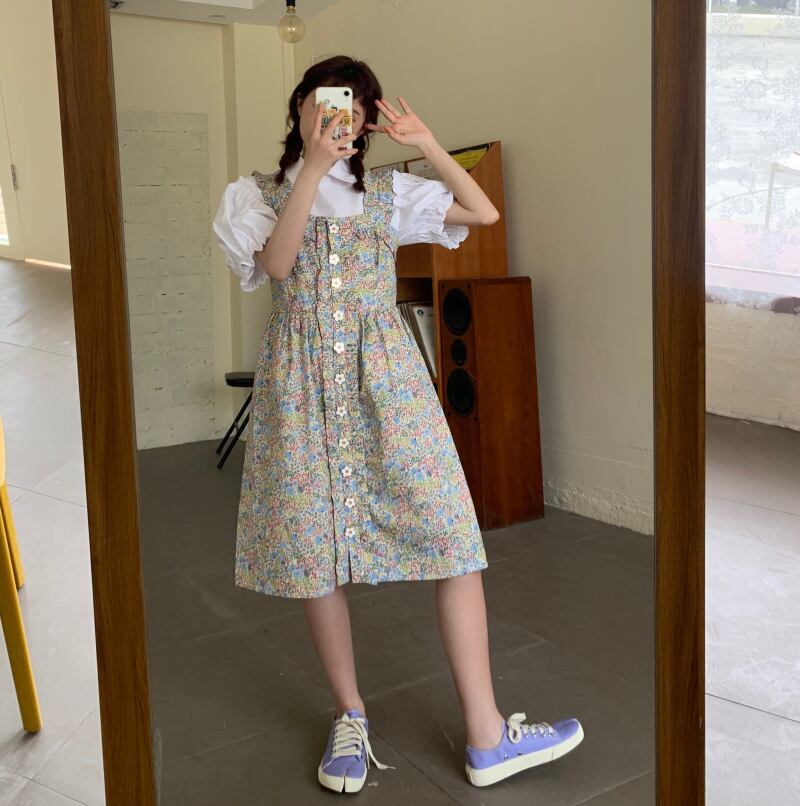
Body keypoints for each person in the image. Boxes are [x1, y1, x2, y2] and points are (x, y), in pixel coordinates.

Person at [213, 55, 583, 794]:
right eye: (328, 102)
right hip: (302, 388)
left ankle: (487, 735)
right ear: (301, 106)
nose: (340, 116)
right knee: (316, 554)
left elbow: (482, 213)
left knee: (453, 537)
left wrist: (429, 143)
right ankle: (349, 715)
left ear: (366, 121)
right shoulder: (253, 195)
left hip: (388, 386)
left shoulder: (387, 192)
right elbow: (279, 266)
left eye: (355, 108)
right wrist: (313, 170)